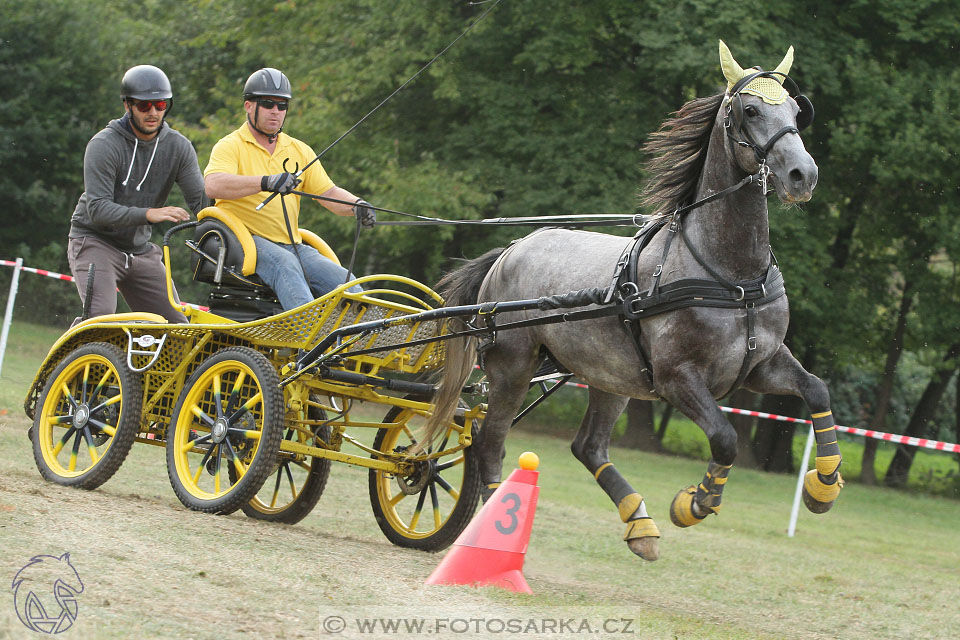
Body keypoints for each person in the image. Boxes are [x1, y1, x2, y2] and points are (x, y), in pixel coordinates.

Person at [203, 67, 376, 311]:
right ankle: (309, 341)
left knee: (348, 284)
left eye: (282, 105)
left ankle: (365, 342)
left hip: (292, 244)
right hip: (246, 243)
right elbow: (213, 185)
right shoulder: (230, 145)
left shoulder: (299, 150)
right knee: (285, 264)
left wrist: (357, 205)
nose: (276, 111)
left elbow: (327, 193)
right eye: (268, 104)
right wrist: (266, 181)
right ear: (249, 106)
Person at [67, 64, 206, 325]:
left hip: (140, 250)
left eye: (160, 105)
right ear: (127, 105)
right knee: (100, 320)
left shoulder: (179, 147)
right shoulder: (104, 144)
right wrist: (150, 214)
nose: (153, 112)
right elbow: (97, 209)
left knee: (177, 327)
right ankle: (65, 365)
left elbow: (201, 202)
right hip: (95, 241)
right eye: (144, 106)